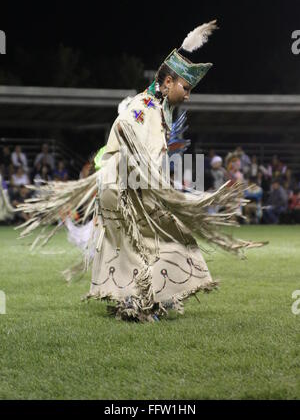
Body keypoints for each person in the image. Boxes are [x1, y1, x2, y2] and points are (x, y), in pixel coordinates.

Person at [17, 21, 265, 322]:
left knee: (135, 242)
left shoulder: (154, 107)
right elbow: (124, 129)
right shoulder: (144, 107)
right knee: (163, 235)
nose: (188, 95)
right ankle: (140, 300)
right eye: (185, 88)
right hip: (125, 186)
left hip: (124, 184)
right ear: (168, 81)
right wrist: (154, 178)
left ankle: (144, 297)